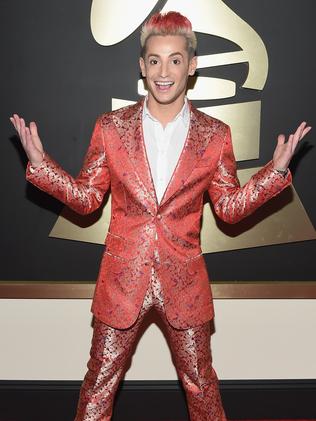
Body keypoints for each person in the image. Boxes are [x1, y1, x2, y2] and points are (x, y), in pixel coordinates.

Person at [10, 11, 311, 421]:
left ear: (192, 66)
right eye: (154, 60)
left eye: (174, 60)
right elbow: (85, 199)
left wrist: (273, 173)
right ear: (142, 66)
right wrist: (42, 165)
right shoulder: (111, 128)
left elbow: (228, 208)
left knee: (201, 383)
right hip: (121, 281)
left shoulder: (216, 134)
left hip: (184, 282)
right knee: (99, 381)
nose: (163, 71)